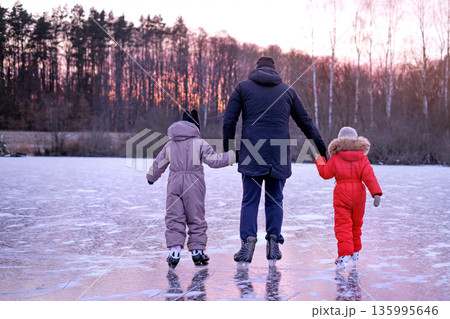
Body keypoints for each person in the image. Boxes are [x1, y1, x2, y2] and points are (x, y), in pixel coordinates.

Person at [223, 56, 327, 264]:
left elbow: (229, 120)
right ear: (275, 69)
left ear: (256, 67)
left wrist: (227, 149)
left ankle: (247, 242)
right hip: (278, 153)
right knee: (275, 199)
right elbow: (306, 123)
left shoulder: (242, 88)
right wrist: (323, 151)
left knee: (250, 200)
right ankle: (273, 242)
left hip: (252, 150)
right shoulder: (288, 90)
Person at [147, 110, 235, 268]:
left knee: (174, 218)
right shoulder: (199, 143)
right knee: (196, 217)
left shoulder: (170, 144)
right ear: (196, 126)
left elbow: (158, 163)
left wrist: (151, 177)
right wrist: (233, 155)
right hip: (194, 184)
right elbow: (215, 161)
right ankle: (197, 251)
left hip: (174, 183)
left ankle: (174, 251)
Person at [315, 126, 382, 270]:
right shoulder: (362, 159)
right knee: (356, 225)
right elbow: (369, 177)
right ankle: (356, 252)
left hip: (342, 195)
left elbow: (325, 173)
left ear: (339, 141)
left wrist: (319, 160)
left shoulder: (335, 158)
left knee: (343, 226)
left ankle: (345, 254)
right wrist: (376, 193)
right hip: (359, 195)